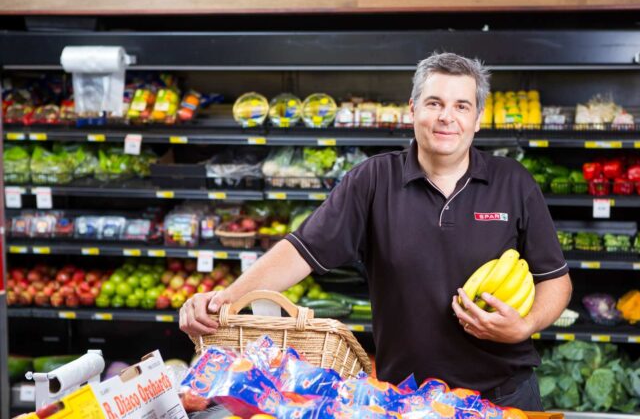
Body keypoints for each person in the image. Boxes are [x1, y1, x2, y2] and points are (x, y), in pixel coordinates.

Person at [180, 52, 572, 410]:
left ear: (478, 117)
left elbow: (555, 280)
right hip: (407, 399)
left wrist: (525, 324)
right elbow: (300, 251)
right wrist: (224, 300)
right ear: (413, 108)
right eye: (434, 103)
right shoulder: (373, 181)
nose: (446, 117)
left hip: (505, 393)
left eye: (461, 106)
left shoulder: (513, 182)